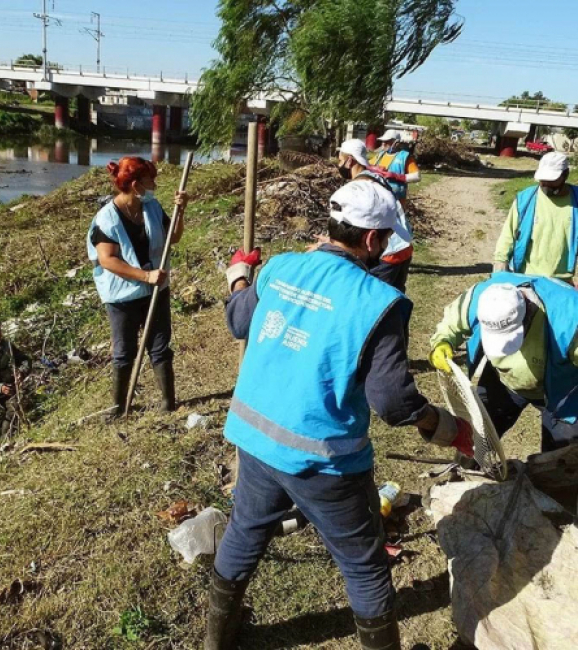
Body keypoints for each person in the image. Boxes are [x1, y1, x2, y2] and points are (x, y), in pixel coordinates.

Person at [205, 181, 472, 650]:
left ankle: (216, 640)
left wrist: (239, 276)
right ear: (372, 240)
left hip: (255, 437)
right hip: (322, 460)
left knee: (245, 530)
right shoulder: (379, 303)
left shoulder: (282, 267)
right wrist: (442, 427)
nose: (389, 246)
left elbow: (238, 320)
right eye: (387, 238)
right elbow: (391, 401)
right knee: (364, 565)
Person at [430, 272, 578, 453]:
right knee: (476, 440)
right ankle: (469, 473)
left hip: (563, 390)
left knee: (562, 458)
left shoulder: (569, 318)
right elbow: (453, 321)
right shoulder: (485, 297)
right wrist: (442, 342)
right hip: (503, 379)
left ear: (528, 313)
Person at [87, 157, 188, 415]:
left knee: (160, 347)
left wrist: (181, 211)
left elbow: (172, 238)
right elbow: (107, 259)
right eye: (149, 180)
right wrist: (145, 277)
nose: (154, 184)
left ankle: (168, 404)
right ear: (134, 185)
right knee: (124, 352)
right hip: (122, 296)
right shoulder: (106, 219)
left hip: (156, 290)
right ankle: (118, 407)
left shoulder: (151, 206)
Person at [337, 138, 414, 292]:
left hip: (388, 251)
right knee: (394, 298)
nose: (338, 165)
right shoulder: (375, 177)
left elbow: (362, 229)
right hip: (403, 244)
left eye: (340, 160)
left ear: (349, 161)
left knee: (375, 299)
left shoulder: (360, 188)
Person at [493, 152, 578, 287]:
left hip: (563, 282)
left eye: (551, 180)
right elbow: (508, 235)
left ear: (565, 175)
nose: (545, 184)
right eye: (542, 180)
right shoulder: (525, 200)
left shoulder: (576, 201)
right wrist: (500, 264)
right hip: (527, 278)